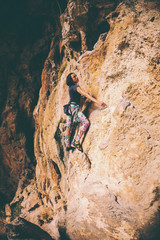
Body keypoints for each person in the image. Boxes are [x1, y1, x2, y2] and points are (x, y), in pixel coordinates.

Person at [65, 72, 107, 152]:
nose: (76, 77)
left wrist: (82, 97)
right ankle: (76, 141)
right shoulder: (76, 87)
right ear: (71, 80)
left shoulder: (70, 88)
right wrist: (97, 102)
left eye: (76, 75)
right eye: (74, 77)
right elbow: (86, 95)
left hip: (69, 108)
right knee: (86, 123)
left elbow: (76, 97)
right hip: (75, 110)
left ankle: (68, 145)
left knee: (68, 127)